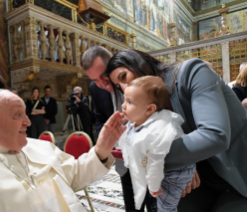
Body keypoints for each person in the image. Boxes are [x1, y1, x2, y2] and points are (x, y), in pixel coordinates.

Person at [0, 89, 127, 212]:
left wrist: (101, 149)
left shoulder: (39, 146)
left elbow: (74, 175)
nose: (28, 122)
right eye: (18, 115)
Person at [105, 49, 247, 212]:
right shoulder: (150, 108)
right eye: (119, 86)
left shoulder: (193, 71)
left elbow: (215, 135)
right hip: (199, 182)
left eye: (124, 77)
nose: (124, 87)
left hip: (238, 172)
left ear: (140, 64)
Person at [82, 46, 157, 212]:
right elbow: (99, 117)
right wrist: (111, 140)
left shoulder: (136, 79)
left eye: (103, 76)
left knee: (156, 204)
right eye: (95, 80)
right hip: (123, 158)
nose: (102, 84)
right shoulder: (96, 88)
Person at [118, 76, 196, 211]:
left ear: (149, 109)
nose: (123, 105)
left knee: (166, 206)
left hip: (177, 172)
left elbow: (156, 162)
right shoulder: (141, 119)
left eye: (129, 102)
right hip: (165, 165)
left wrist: (153, 186)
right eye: (124, 100)